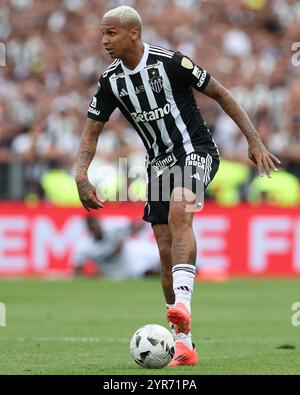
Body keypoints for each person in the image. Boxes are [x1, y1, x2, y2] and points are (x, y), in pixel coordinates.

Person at [75, 6, 281, 366]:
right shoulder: (110, 81)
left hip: (197, 150)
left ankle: (182, 306)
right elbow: (92, 131)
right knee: (165, 252)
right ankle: (183, 344)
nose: (104, 41)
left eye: (111, 34)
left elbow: (222, 93)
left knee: (180, 208)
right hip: (158, 166)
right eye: (102, 34)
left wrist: (254, 140)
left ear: (133, 34)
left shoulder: (172, 63)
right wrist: (80, 174)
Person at [74, 215, 160, 279]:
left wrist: (127, 234)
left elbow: (140, 224)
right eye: (93, 227)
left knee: (161, 257)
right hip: (116, 274)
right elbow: (77, 268)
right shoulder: (86, 246)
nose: (97, 228)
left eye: (97, 224)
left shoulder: (112, 228)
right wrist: (88, 277)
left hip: (133, 255)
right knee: (149, 273)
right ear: (90, 230)